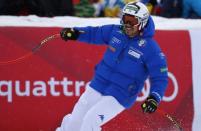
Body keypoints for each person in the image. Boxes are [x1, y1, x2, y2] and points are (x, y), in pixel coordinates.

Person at [56, 1, 168, 131]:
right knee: (75, 120)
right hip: (99, 83)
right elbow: (94, 33)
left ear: (142, 22)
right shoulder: (116, 31)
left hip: (120, 94)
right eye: (125, 19)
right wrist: (76, 33)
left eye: (132, 21)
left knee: (90, 121)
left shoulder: (151, 48)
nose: (127, 25)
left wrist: (154, 98)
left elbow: (160, 77)